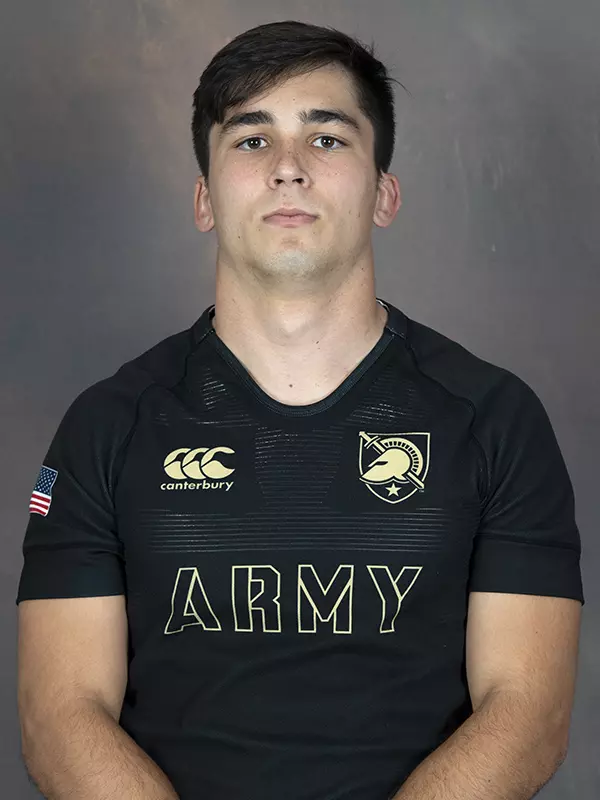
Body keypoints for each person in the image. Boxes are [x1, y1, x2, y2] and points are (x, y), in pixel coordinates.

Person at [16, 19, 583, 800]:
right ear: (204, 199)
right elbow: (59, 716)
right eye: (252, 140)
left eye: (326, 139)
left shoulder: (494, 420)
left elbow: (528, 713)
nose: (288, 168)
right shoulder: (107, 427)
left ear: (383, 193)